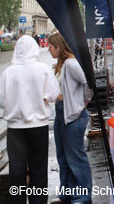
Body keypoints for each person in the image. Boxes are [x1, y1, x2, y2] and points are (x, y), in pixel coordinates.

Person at [0, 35, 60, 204]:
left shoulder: (7, 73)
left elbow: (2, 100)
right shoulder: (43, 69)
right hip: (38, 125)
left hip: (15, 128)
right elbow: (54, 94)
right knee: (38, 169)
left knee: (16, 170)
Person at [48, 33, 93, 204]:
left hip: (73, 113)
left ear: (59, 47)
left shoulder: (72, 63)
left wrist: (83, 102)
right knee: (63, 156)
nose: (48, 49)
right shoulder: (61, 65)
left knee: (75, 157)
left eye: (51, 47)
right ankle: (66, 192)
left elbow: (88, 82)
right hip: (61, 112)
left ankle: (83, 196)